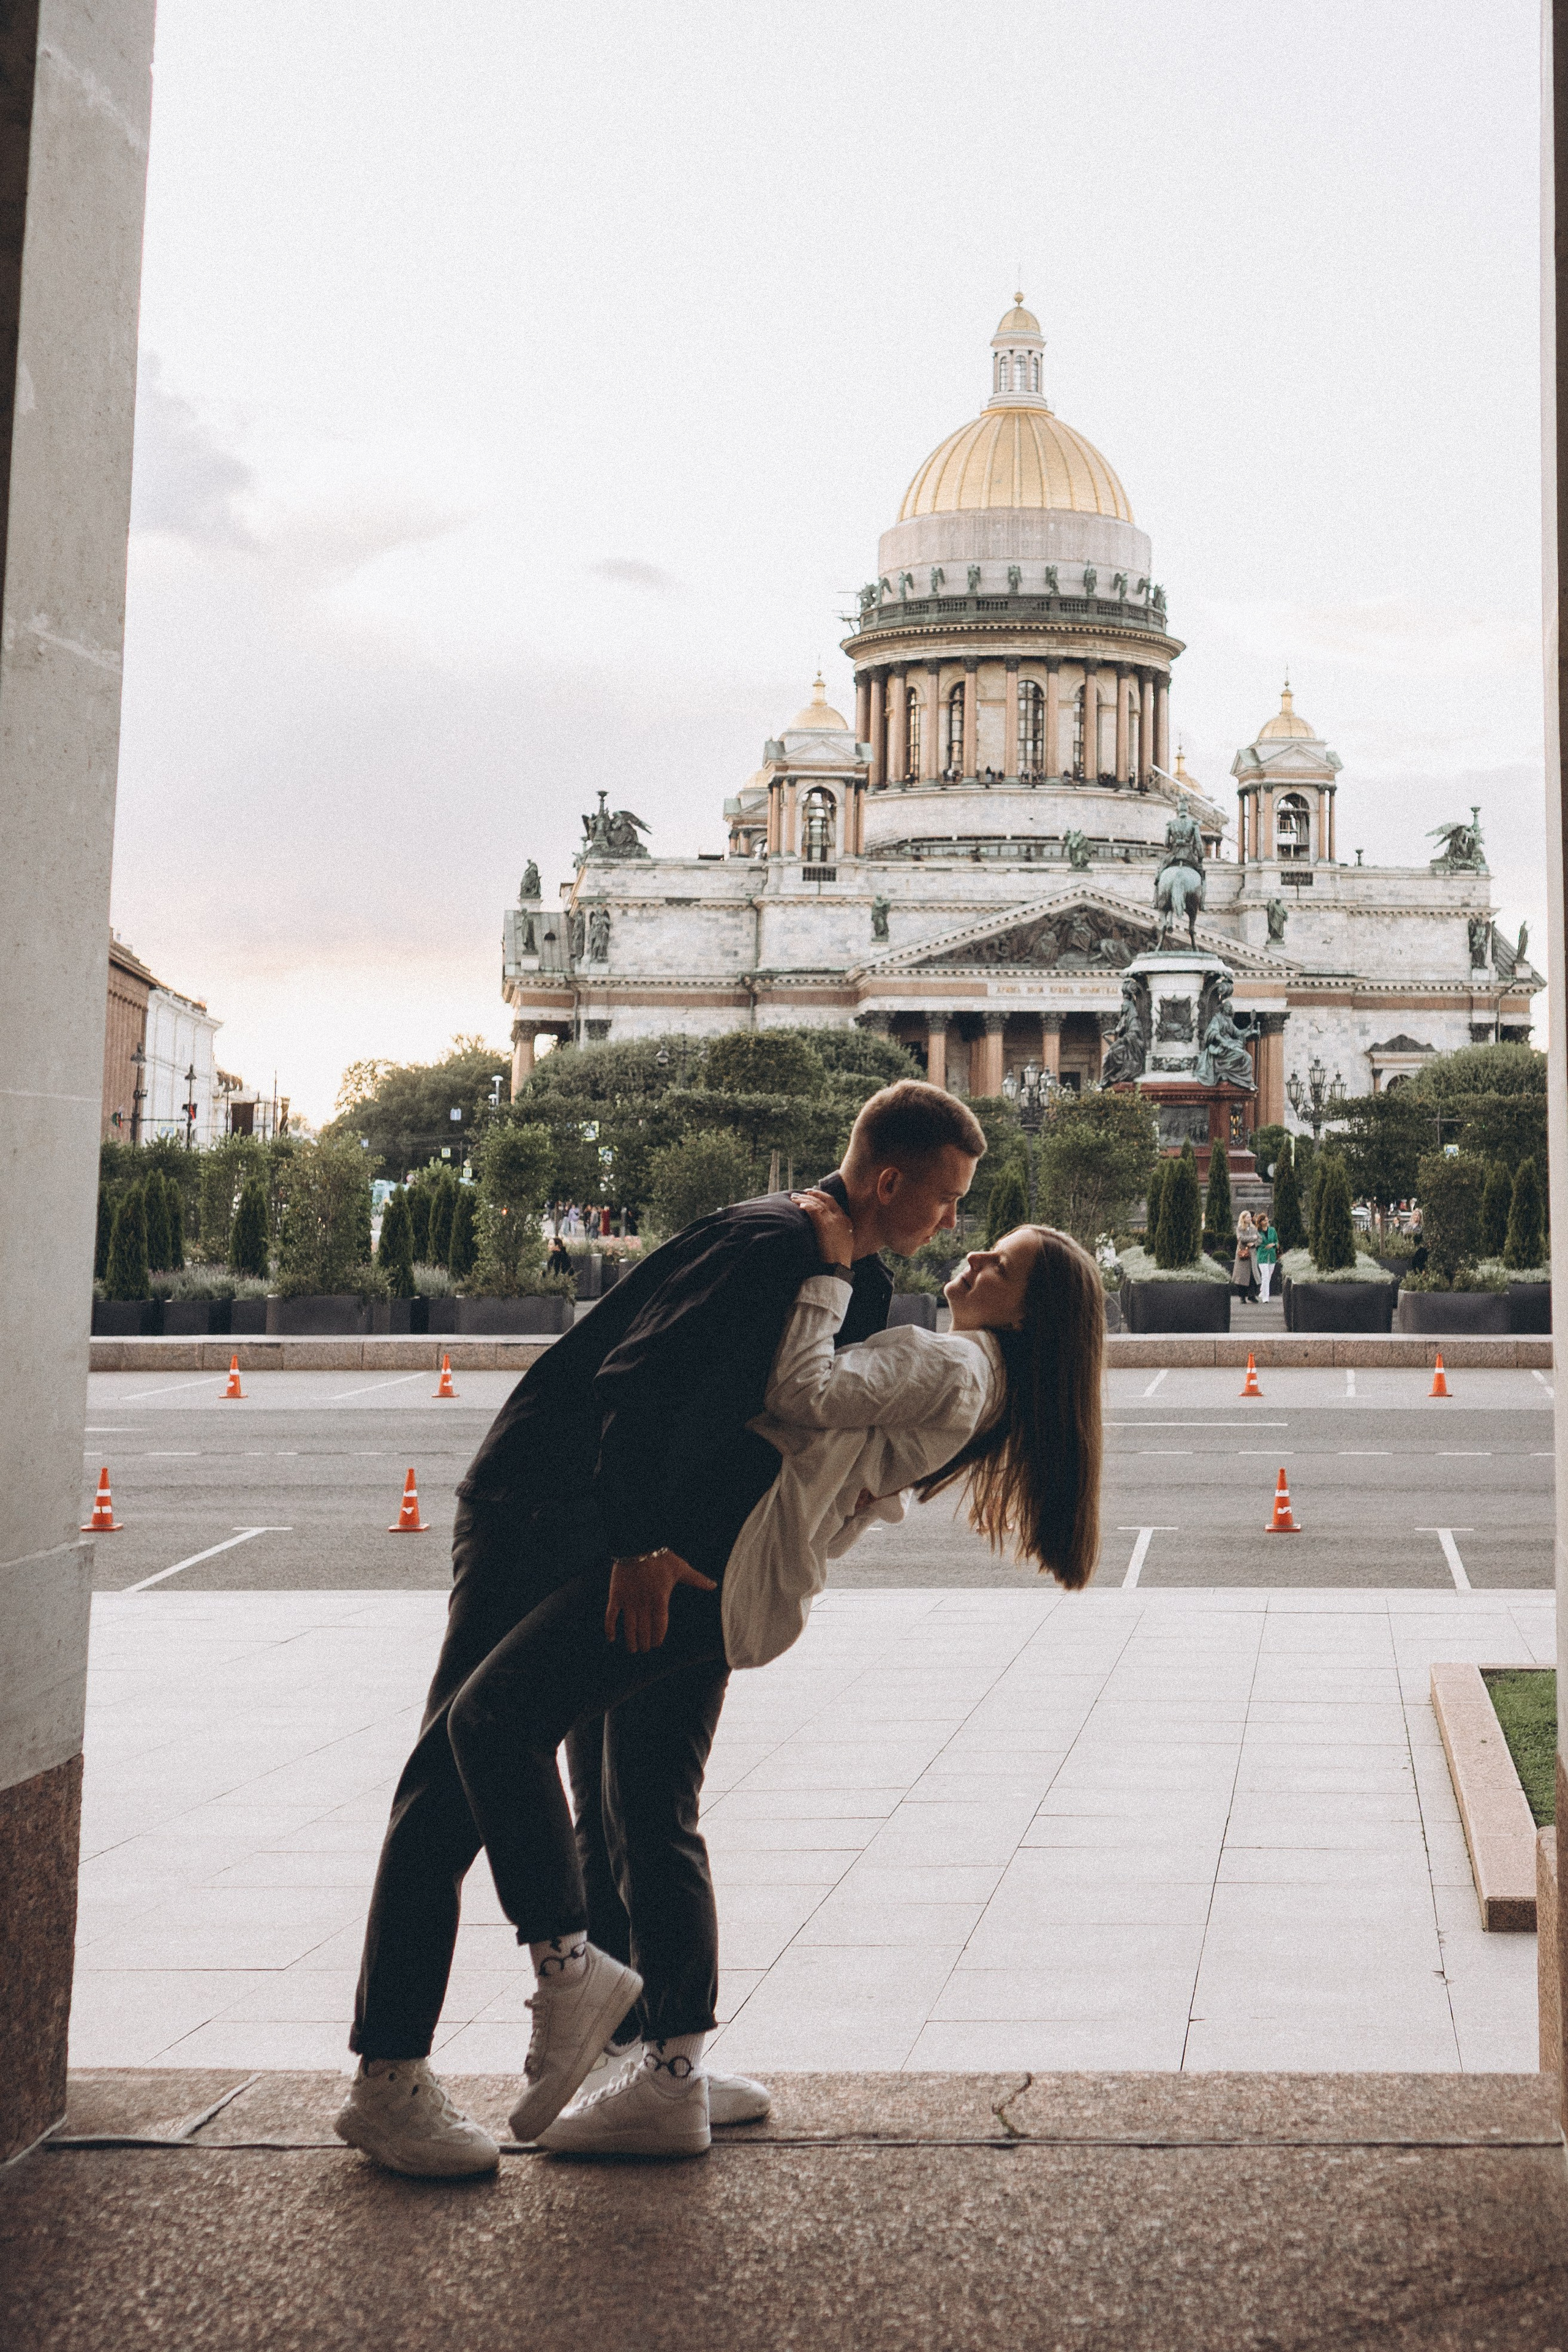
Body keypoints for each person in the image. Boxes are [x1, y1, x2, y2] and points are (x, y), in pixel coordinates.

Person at [334, 1081, 984, 2179]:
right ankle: (388, 2078)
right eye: (947, 1199)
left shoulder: (851, 1274)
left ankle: (644, 2058)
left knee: (633, 1798)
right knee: (452, 1778)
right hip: (543, 1502)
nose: (951, 1222)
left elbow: (777, 1428)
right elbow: (634, 1383)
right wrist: (639, 1544)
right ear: (887, 1182)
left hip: (643, 1539)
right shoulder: (771, 1240)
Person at [460, 1196, 1105, 2162]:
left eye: (999, 1267)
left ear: (1027, 1313)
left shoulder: (949, 1360)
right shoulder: (986, 1378)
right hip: (734, 1569)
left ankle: (663, 2064)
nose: (972, 1259)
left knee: (632, 1800)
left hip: (710, 1569)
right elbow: (852, 1472)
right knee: (622, 1798)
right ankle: (648, 2053)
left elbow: (804, 1390)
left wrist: (826, 1272)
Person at [1232, 1210, 1258, 1300]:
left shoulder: (1254, 1228)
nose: (1250, 1218)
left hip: (1252, 1255)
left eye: (1250, 1217)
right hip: (1243, 1255)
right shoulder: (1239, 1228)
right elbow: (1241, 1238)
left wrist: (1254, 1243)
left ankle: (1252, 1295)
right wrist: (1253, 1238)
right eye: (1248, 1217)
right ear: (1243, 1218)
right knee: (1242, 1278)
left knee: (1252, 1277)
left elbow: (1260, 1239)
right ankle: (1242, 1297)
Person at [1255, 1215, 1278, 1303]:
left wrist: (1273, 1245)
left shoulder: (1272, 1230)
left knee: (1269, 1276)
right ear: (1261, 1222)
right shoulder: (1257, 1232)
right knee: (1265, 1275)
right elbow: (1256, 1243)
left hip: (1272, 1255)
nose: (1267, 1222)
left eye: (1267, 1220)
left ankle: (1262, 1291)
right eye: (1264, 1220)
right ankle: (1266, 1297)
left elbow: (1277, 1242)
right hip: (1262, 1255)